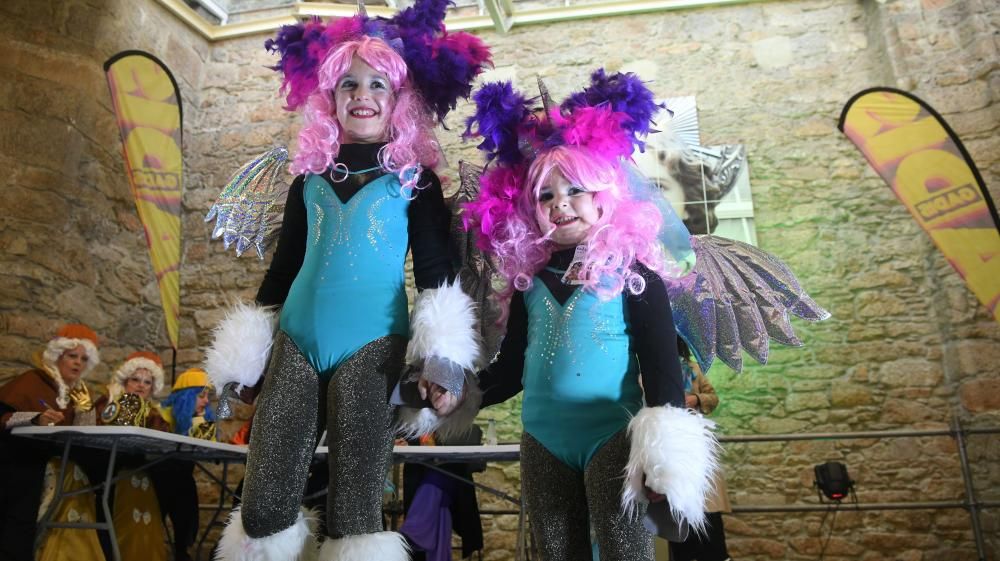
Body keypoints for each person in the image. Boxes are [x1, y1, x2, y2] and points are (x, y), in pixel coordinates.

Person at [204, 3, 491, 559]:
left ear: (398, 101)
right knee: (262, 505)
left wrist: (442, 363)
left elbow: (436, 277)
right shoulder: (306, 182)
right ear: (330, 101)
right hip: (294, 345)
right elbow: (281, 273)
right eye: (348, 84)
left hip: (374, 348)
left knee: (355, 510)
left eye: (378, 83)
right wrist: (246, 358)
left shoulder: (416, 182)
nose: (362, 94)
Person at [462, 72, 719, 561]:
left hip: (611, 437)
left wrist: (663, 457)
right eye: (545, 195)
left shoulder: (635, 274)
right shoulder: (529, 281)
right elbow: (512, 369)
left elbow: (661, 365)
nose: (560, 203)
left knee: (625, 553)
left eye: (574, 190)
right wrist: (458, 394)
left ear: (603, 196)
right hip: (542, 441)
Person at [0, 323, 101, 561]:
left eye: (84, 359)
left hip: (59, 465)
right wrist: (37, 418)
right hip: (21, 462)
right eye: (72, 356)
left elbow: (85, 437)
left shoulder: (80, 393)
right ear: (58, 357)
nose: (78, 363)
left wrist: (85, 410)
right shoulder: (32, 381)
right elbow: (3, 418)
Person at [96, 351, 171, 561]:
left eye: (147, 382)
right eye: (135, 380)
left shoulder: (154, 413)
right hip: (109, 474)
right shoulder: (109, 402)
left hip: (141, 475)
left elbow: (162, 440)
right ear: (125, 381)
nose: (141, 386)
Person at [670, 338, 732, 561]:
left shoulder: (692, 368)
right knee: (678, 514)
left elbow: (712, 398)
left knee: (707, 511)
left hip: (695, 441)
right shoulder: (647, 370)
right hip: (669, 445)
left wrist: (695, 398)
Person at [156, 367, 218, 561]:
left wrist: (199, 421)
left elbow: (211, 448)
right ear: (186, 397)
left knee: (186, 510)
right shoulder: (160, 417)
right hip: (156, 479)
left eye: (207, 396)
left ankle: (182, 552)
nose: (206, 401)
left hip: (181, 479)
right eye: (201, 396)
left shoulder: (196, 418)